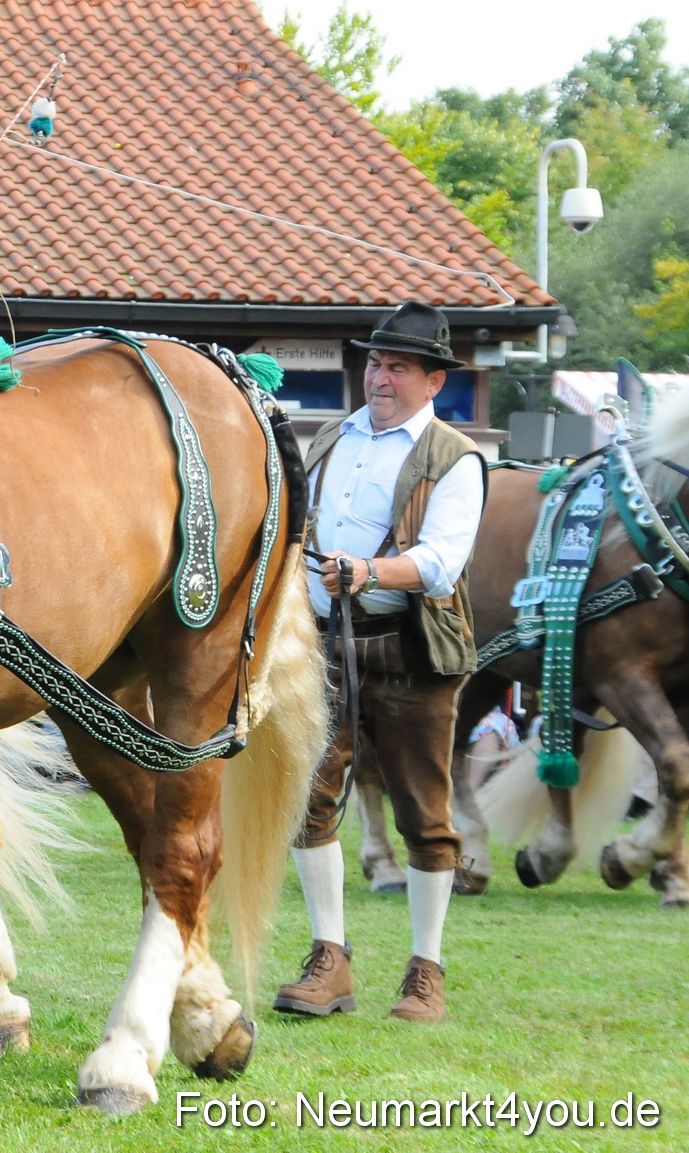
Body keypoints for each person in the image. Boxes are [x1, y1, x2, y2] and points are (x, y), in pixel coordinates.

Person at [274, 302, 486, 1026]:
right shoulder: (333, 437)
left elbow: (440, 562)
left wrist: (367, 571)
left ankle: (426, 968)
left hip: (411, 649)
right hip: (323, 644)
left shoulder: (456, 457)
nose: (380, 378)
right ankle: (327, 958)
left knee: (423, 814)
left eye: (398, 367)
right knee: (309, 799)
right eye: (374, 363)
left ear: (434, 381)